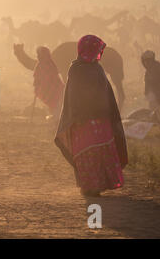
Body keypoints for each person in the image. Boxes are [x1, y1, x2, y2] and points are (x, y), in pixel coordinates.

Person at [55, 35, 128, 197]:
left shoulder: (91, 68)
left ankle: (95, 185)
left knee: (94, 153)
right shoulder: (81, 69)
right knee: (88, 153)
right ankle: (90, 186)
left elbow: (104, 94)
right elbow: (75, 96)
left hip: (93, 121)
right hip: (89, 121)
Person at [33, 46, 65, 119]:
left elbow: (54, 77)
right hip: (45, 88)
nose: (38, 56)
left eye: (40, 54)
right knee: (52, 101)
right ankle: (55, 116)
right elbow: (36, 77)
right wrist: (37, 85)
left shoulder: (50, 64)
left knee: (56, 101)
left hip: (55, 88)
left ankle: (56, 117)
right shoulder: (39, 65)